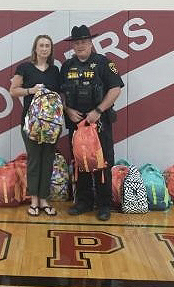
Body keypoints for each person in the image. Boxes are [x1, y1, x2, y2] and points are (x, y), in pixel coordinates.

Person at [60, 25, 124, 221]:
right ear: (73, 46)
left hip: (99, 124)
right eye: (76, 43)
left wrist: (98, 111)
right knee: (80, 162)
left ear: (90, 43)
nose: (80, 46)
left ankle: (104, 204)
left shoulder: (104, 63)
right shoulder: (66, 66)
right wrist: (67, 110)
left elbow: (115, 89)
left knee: (101, 162)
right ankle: (83, 202)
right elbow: (61, 93)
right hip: (76, 125)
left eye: (83, 42)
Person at [10, 35, 60, 216]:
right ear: (35, 48)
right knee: (34, 160)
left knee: (48, 160)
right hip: (30, 124)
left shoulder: (55, 70)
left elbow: (60, 95)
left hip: (51, 125)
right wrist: (31, 90)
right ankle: (34, 200)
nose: (44, 48)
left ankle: (44, 199)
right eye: (41, 45)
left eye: (47, 45)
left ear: (51, 49)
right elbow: (13, 91)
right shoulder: (24, 68)